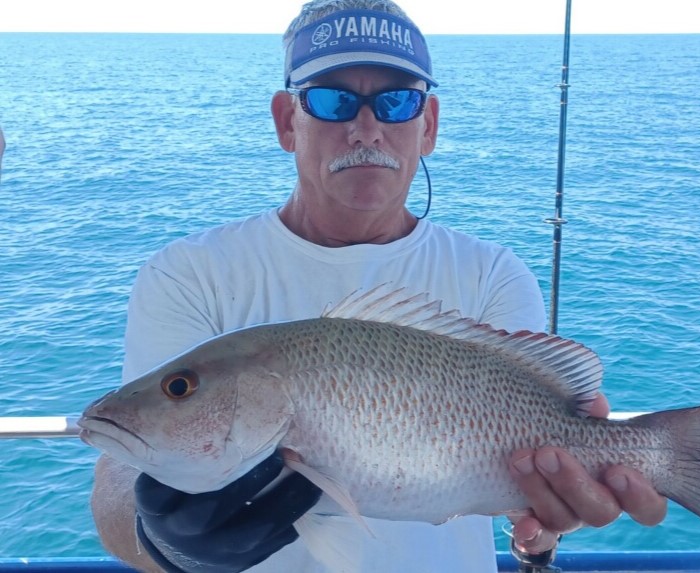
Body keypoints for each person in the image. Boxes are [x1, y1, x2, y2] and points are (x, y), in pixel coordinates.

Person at [90, 0, 667, 571]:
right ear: (288, 121)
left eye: (396, 102)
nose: (365, 129)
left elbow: (536, 479)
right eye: (332, 99)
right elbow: (117, 489)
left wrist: (537, 533)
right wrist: (165, 543)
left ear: (429, 125)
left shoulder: (493, 273)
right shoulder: (189, 273)